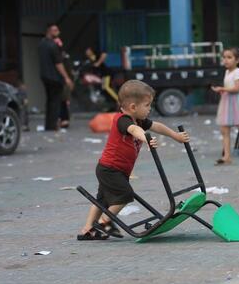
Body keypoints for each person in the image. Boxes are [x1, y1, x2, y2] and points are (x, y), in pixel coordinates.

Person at [77, 80, 190, 240]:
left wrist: (175, 136)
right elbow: (134, 130)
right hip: (110, 169)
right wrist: (146, 139)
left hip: (115, 169)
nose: (150, 108)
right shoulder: (123, 120)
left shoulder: (139, 119)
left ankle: (87, 230)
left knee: (101, 199)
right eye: (147, 105)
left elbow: (156, 126)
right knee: (125, 195)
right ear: (133, 107)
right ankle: (103, 223)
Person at [38, 23, 74, 131]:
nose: (57, 32)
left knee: (49, 101)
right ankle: (53, 125)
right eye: (55, 30)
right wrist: (67, 77)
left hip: (45, 76)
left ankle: (48, 125)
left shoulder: (41, 44)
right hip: (55, 77)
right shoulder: (53, 45)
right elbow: (58, 63)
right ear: (49, 31)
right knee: (55, 102)